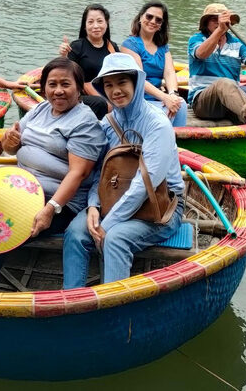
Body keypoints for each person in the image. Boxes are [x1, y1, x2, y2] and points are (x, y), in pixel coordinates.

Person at [0, 58, 106, 289]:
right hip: (18, 188)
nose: (58, 91)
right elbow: (12, 148)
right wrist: (9, 141)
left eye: (65, 84)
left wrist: (50, 209)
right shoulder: (40, 109)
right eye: (52, 84)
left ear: (79, 88)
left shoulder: (85, 123)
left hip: (57, 201)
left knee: (1, 231)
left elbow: (77, 174)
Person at [63, 53, 184, 288]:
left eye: (122, 83)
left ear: (136, 84)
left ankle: (113, 312)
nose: (116, 90)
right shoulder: (107, 123)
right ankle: (71, 301)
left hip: (161, 205)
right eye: (109, 85)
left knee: (115, 239)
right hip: (113, 197)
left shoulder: (157, 124)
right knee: (75, 233)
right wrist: (93, 206)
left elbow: (144, 185)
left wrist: (107, 225)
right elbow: (99, 172)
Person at [121, 1, 187, 127]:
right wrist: (164, 97)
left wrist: (172, 94)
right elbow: (138, 78)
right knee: (163, 115)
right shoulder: (130, 45)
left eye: (158, 20)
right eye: (149, 16)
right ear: (140, 17)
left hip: (158, 98)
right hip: (139, 100)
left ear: (161, 25)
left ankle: (176, 141)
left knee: (181, 103)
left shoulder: (163, 47)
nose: (152, 21)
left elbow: (169, 73)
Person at [188, 3, 246, 124]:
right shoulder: (196, 39)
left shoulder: (237, 43)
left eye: (223, 20)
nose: (219, 22)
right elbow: (201, 54)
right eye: (214, 19)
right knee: (223, 83)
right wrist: (220, 29)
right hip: (203, 102)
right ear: (206, 22)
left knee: (231, 85)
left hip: (230, 102)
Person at [59, 4, 119, 119]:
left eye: (100, 21)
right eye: (90, 22)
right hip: (81, 95)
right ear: (85, 26)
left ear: (107, 23)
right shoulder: (77, 47)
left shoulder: (112, 47)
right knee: (99, 103)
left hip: (109, 92)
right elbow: (66, 74)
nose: (95, 26)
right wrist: (64, 56)